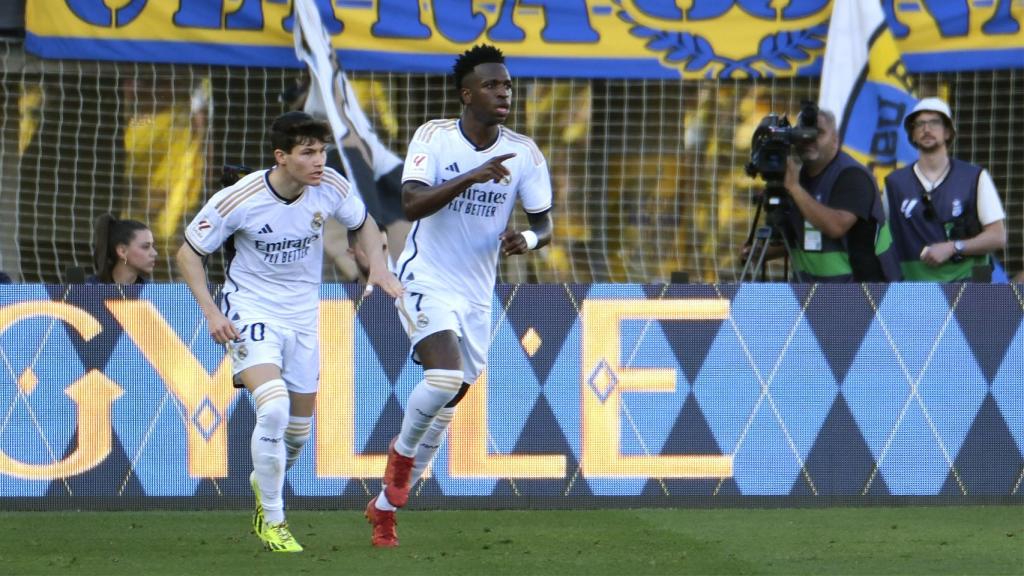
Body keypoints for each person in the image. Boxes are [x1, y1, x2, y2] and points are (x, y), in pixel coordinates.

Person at [176, 111, 401, 552]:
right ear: (281, 157)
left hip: (302, 317)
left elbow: (363, 223)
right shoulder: (240, 198)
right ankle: (273, 520)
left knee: (296, 434)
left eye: (322, 152)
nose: (319, 161)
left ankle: (266, 481)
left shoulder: (330, 186)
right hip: (251, 310)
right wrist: (211, 312)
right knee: (274, 408)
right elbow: (188, 253)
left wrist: (378, 266)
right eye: (308, 153)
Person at [365, 44, 553, 548]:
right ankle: (400, 458)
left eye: (507, 85)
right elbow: (411, 203)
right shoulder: (435, 137)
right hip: (425, 277)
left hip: (476, 294)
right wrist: (470, 175)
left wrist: (527, 239)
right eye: (492, 85)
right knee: (444, 377)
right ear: (467, 94)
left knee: (449, 402)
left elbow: (544, 225)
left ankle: (386, 508)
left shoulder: (524, 153)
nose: (504, 93)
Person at [757, 106, 901, 283]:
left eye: (818, 133)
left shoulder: (853, 176)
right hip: (810, 292)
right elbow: (801, 240)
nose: (809, 139)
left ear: (835, 140)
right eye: (803, 133)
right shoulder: (796, 178)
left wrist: (794, 189)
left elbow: (836, 227)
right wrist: (759, 252)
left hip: (862, 291)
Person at [884, 97, 1007, 282]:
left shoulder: (975, 177)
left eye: (934, 122)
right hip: (914, 290)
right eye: (920, 124)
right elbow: (880, 239)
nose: (926, 129)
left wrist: (953, 247)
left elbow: (998, 237)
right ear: (912, 134)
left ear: (948, 132)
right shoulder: (894, 183)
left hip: (968, 285)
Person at [88, 214, 156, 285]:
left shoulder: (153, 290)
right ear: (122, 251)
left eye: (153, 246)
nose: (154, 253)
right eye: (145, 246)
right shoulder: (89, 288)